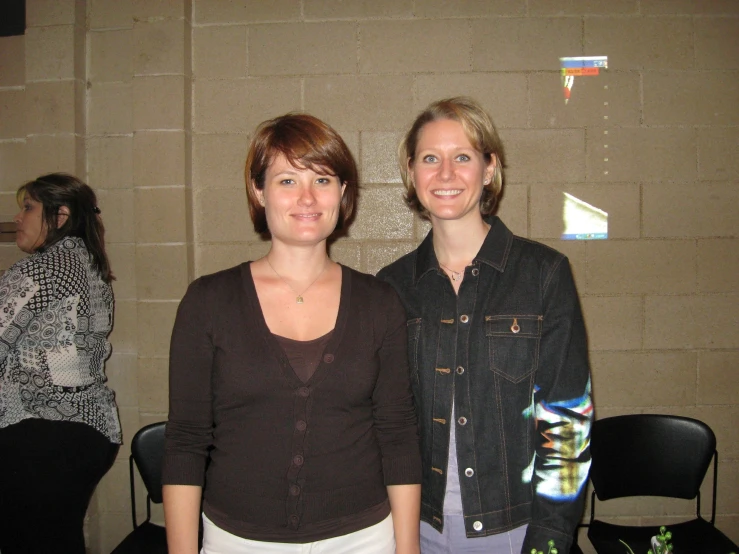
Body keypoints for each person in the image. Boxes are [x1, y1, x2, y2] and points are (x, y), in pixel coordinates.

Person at [162, 113, 422, 554]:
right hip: (238, 541)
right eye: (286, 181)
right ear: (258, 190)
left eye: (322, 180)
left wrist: (408, 547)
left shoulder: (380, 302)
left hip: (362, 539)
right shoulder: (208, 301)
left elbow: (397, 432)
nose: (307, 197)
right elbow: (186, 438)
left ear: (343, 192)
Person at [377, 97, 593, 554]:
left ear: (489, 168)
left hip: (516, 530)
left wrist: (550, 540)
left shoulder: (543, 274)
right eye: (430, 158)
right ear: (411, 173)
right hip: (418, 529)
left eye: (463, 157)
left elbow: (569, 421)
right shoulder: (392, 287)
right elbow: (385, 423)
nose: (447, 174)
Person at [0, 173, 121, 554]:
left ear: (61, 214)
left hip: (42, 432)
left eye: (28, 208)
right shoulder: (88, 264)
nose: (18, 218)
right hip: (88, 429)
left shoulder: (41, 269)